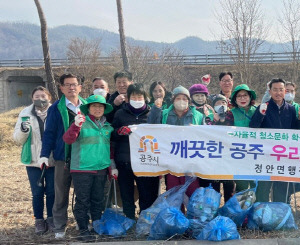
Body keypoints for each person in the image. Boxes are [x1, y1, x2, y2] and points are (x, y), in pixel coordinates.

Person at [39, 74, 87, 239]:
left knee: (83, 193)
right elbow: (49, 133)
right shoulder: (56, 108)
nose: (71, 88)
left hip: (85, 158)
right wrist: (45, 154)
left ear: (80, 87)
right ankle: (59, 225)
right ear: (61, 88)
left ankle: (83, 223)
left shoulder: (88, 106)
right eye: (67, 85)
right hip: (63, 158)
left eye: (74, 84)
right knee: (60, 194)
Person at [62, 95, 113, 241]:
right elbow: (68, 139)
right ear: (88, 108)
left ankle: (96, 226)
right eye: (94, 106)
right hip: (82, 168)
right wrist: (75, 126)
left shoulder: (107, 127)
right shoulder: (80, 122)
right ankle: (83, 229)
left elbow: (109, 150)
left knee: (98, 199)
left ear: (104, 109)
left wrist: (111, 168)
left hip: (101, 168)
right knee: (83, 200)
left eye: (100, 106)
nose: (97, 109)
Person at [250, 78, 300, 203]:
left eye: (281, 90)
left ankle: (280, 212)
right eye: (275, 90)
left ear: (285, 91)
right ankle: (261, 213)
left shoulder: (291, 109)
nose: (278, 93)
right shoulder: (263, 107)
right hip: (266, 154)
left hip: (283, 155)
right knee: (264, 187)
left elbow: (296, 132)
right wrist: (260, 114)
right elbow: (253, 128)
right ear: (270, 91)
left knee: (282, 187)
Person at [111, 83, 159, 219]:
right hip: (125, 161)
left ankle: (144, 219)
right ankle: (129, 218)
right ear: (128, 98)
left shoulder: (151, 114)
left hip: (146, 161)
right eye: (134, 96)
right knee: (126, 192)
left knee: (147, 192)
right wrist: (119, 132)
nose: (137, 99)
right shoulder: (120, 113)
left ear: (145, 97)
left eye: (140, 96)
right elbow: (112, 134)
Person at [148, 85, 203, 197]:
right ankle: (177, 213)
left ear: (189, 101)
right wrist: (156, 108)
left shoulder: (198, 116)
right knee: (173, 192)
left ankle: (193, 214)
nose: (181, 101)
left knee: (193, 192)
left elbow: (206, 136)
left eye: (184, 99)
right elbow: (151, 126)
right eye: (178, 98)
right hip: (171, 159)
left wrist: (196, 131)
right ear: (173, 100)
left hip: (191, 160)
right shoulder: (164, 114)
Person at [13, 86, 54, 234]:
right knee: (37, 192)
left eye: (43, 96)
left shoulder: (55, 111)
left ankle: (51, 219)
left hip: (51, 159)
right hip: (33, 159)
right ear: (32, 98)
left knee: (51, 192)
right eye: (37, 96)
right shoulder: (25, 113)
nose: (40, 99)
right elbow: (17, 139)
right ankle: (39, 221)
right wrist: (24, 130)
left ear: (49, 97)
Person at [218, 84, 258, 192]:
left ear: (250, 97)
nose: (242, 98)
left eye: (245, 95)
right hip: (238, 154)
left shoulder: (258, 111)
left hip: (256, 153)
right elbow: (226, 132)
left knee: (256, 184)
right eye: (239, 96)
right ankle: (241, 208)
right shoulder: (231, 113)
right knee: (241, 185)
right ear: (235, 99)